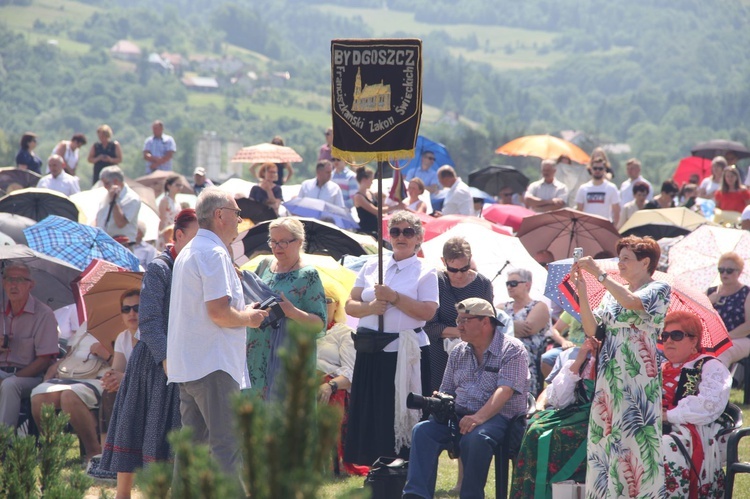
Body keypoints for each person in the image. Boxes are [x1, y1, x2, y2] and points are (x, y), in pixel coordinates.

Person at [166, 189, 268, 484]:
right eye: (237, 214)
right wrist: (250, 317)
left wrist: (244, 311)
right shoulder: (212, 253)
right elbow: (219, 314)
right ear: (220, 215)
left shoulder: (191, 250)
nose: (240, 220)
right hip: (213, 365)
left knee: (193, 449)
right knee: (226, 447)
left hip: (192, 363)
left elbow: (214, 309)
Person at [101, 210, 199, 499]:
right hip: (154, 360)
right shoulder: (160, 268)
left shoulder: (193, 266)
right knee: (135, 425)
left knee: (167, 431)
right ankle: (123, 495)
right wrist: (166, 360)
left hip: (180, 358)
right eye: (193, 238)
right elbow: (149, 320)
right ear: (177, 236)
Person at [573, 235, 671, 498]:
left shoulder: (659, 288)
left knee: (634, 439)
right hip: (610, 375)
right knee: (605, 441)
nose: (620, 263)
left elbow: (631, 302)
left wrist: (600, 274)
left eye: (626, 258)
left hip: (637, 376)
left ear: (645, 262)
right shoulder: (612, 294)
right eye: (620, 258)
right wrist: (582, 290)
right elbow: (593, 329)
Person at [402, 298, 529, 499]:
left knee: (476, 438)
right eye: (458, 320)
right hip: (459, 415)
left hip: (499, 418)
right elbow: (447, 390)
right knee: (422, 431)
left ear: (485, 322)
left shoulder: (512, 349)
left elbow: (505, 391)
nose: (458, 326)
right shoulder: (458, 351)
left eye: (465, 320)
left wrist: (478, 418)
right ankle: (415, 496)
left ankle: (471, 495)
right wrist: (438, 400)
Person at [344, 211, 439, 466]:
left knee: (400, 411)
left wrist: (395, 297)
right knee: (372, 411)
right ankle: (375, 468)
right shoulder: (373, 264)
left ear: (419, 237)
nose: (401, 237)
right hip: (371, 349)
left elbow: (428, 312)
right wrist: (371, 307)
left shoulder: (426, 270)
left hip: (403, 354)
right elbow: (350, 304)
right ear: (388, 235)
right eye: (395, 231)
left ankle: (403, 467)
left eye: (408, 232)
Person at [33, 290, 139, 468]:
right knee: (38, 397)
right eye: (126, 309)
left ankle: (95, 452)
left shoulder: (129, 331)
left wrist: (106, 356)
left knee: (70, 396)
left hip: (95, 378)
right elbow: (114, 369)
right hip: (73, 374)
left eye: (136, 308)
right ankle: (52, 451)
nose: (131, 313)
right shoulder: (93, 326)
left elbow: (131, 369)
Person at [246, 218, 326, 398]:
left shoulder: (308, 275)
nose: (277, 247)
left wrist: (291, 312)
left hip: (288, 356)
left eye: (283, 242)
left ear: (298, 242)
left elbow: (319, 324)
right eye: (273, 241)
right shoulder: (264, 265)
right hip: (256, 352)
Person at [510, 337, 599, 499]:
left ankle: (552, 492)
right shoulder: (579, 357)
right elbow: (558, 399)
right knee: (535, 428)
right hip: (576, 413)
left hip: (602, 419)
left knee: (557, 436)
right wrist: (578, 361)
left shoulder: (617, 359)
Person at [661, 311, 732, 499]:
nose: (669, 341)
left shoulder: (710, 366)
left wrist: (668, 416)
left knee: (662, 446)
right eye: (665, 335)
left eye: (676, 335)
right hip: (655, 425)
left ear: (694, 341)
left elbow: (709, 406)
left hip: (691, 431)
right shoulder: (656, 368)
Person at [424, 237, 493, 394]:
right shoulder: (436, 281)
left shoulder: (483, 283)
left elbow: (489, 320)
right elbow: (429, 326)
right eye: (453, 270)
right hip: (439, 353)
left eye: (464, 268)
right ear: (444, 261)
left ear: (470, 260)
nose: (459, 275)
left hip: (474, 352)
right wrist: (462, 331)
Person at [0, 263, 59, 429]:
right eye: (9, 279)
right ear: (3, 283)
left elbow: (44, 360)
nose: (13, 285)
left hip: (29, 377)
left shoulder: (43, 314)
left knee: (9, 386)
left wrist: (12, 378)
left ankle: (3, 444)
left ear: (30, 285)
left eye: (19, 280)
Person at [316, 294, 368, 476]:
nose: (321, 303)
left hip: (333, 386)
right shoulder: (299, 330)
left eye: (326, 300)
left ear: (337, 304)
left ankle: (332, 463)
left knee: (329, 395)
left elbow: (353, 372)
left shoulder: (342, 332)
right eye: (316, 299)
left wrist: (330, 385)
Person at [501, 268, 550, 396]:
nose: (509, 287)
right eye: (507, 284)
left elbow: (528, 328)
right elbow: (489, 327)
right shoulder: (502, 307)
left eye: (513, 283)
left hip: (528, 358)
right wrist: (514, 326)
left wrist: (502, 325)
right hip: (501, 354)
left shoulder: (539, 306)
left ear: (527, 285)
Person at [708, 252, 750, 367]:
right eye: (721, 270)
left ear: (739, 272)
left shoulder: (746, 293)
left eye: (729, 271)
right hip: (712, 339)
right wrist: (708, 302)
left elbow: (748, 325)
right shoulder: (711, 292)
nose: (724, 274)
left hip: (740, 339)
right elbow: (697, 317)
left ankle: (715, 383)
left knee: (722, 352)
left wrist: (725, 337)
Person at [96, 166, 142, 242]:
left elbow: (120, 223)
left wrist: (114, 201)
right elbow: (99, 218)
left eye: (107, 183)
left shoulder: (132, 199)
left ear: (116, 181)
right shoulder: (105, 196)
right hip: (104, 242)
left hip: (122, 245)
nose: (105, 187)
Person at [575, 151, 621, 226]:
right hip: (587, 227)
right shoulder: (583, 188)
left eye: (600, 168)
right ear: (591, 169)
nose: (597, 171)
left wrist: (615, 229)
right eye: (595, 168)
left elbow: (617, 211)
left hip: (605, 227)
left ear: (604, 169)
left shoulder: (611, 188)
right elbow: (579, 210)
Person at [352, 166, 380, 237]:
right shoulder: (358, 197)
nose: (372, 182)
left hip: (376, 230)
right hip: (367, 231)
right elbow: (375, 211)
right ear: (364, 179)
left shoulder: (370, 193)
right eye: (371, 180)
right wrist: (394, 207)